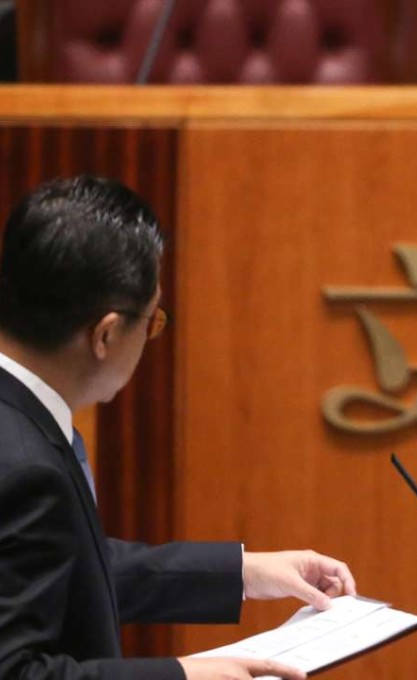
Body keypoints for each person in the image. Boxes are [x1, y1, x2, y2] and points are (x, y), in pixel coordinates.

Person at [0, 175, 358, 679]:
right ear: (105, 335)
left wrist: (240, 572)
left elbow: (62, 568)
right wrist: (183, 675)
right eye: (153, 321)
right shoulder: (25, 468)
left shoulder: (19, 428)